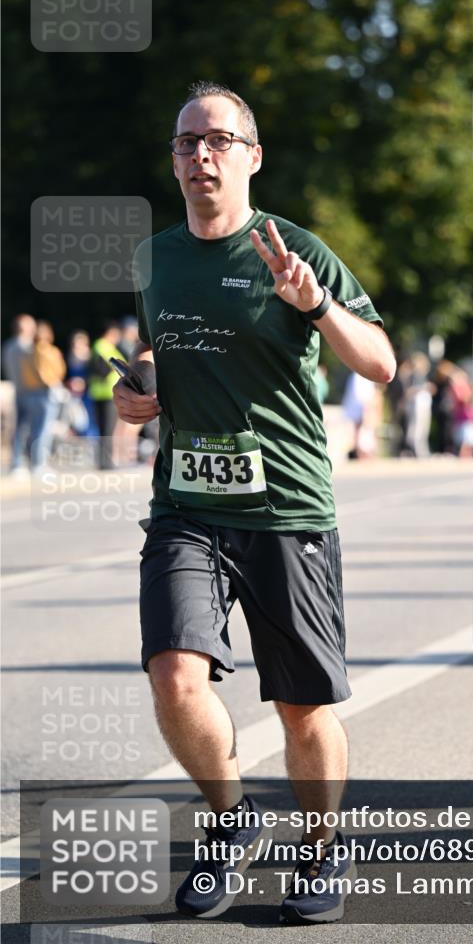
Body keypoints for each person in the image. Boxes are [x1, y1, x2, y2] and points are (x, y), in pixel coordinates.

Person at [112, 81, 396, 924]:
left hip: (286, 508)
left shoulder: (290, 248)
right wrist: (141, 389)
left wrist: (314, 304)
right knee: (173, 674)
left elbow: (379, 362)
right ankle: (230, 822)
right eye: (186, 143)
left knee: (300, 705)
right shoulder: (153, 258)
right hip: (186, 504)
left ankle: (319, 847)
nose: (200, 155)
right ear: (173, 160)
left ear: (251, 156)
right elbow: (160, 357)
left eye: (218, 141)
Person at [19, 320, 66, 472]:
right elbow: (54, 371)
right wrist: (52, 383)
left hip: (31, 392)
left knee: (34, 429)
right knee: (43, 429)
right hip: (45, 392)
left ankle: (35, 462)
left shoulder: (29, 351)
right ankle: (39, 463)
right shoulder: (47, 351)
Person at [2, 313, 36, 475]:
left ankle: (18, 462)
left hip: (19, 390)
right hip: (31, 392)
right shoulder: (26, 347)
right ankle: (31, 462)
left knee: (19, 428)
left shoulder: (8, 346)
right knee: (32, 429)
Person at [89, 320, 125, 468]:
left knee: (106, 430)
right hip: (105, 393)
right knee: (107, 430)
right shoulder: (102, 345)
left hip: (103, 393)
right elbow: (106, 366)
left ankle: (104, 461)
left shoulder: (104, 346)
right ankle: (105, 462)